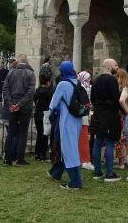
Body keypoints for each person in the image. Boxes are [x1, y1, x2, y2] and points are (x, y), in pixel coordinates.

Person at [48, 61, 84, 189]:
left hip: (67, 119)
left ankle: (75, 181)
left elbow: (53, 104)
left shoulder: (63, 84)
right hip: (77, 119)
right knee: (69, 146)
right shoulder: (77, 81)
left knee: (69, 149)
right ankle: (56, 173)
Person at [89, 60, 122, 182]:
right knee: (109, 142)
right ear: (109, 66)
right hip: (109, 116)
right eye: (115, 65)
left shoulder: (96, 80)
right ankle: (109, 173)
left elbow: (92, 98)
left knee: (98, 142)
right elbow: (115, 99)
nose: (117, 68)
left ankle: (97, 171)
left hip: (98, 114)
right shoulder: (112, 80)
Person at [2, 54, 35, 166]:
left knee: (11, 132)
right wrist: (19, 104)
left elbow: (5, 89)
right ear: (27, 62)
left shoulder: (10, 73)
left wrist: (12, 104)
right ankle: (20, 159)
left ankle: (8, 159)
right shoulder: (30, 74)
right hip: (25, 107)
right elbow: (30, 92)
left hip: (13, 106)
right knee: (22, 133)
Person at [33, 72, 53, 162]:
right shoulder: (49, 92)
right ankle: (43, 155)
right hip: (45, 114)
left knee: (39, 134)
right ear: (48, 82)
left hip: (37, 114)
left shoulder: (37, 91)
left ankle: (37, 153)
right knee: (44, 135)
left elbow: (34, 100)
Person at [77, 71, 94, 170]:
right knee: (83, 138)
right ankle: (84, 159)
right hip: (83, 115)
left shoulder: (86, 88)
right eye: (87, 78)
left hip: (84, 114)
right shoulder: (81, 89)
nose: (89, 80)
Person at [114, 68, 128, 169]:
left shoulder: (122, 89)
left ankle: (121, 162)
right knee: (125, 139)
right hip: (126, 116)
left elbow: (121, 101)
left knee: (121, 139)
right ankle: (125, 160)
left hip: (121, 116)